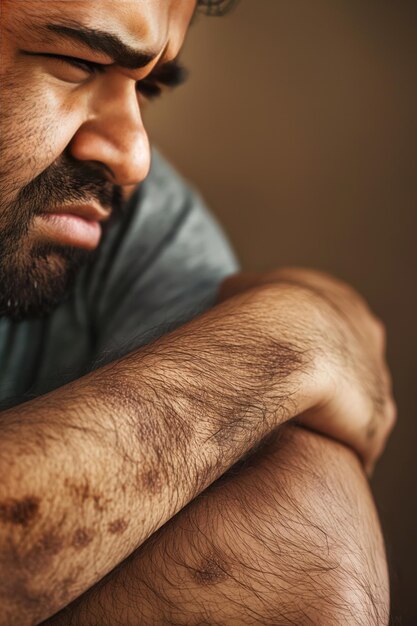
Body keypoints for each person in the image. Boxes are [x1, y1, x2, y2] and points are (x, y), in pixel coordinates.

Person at [0, 1, 396, 624]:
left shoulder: (127, 223)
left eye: (147, 87)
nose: (133, 158)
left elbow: (306, 568)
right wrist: (284, 346)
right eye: (76, 62)